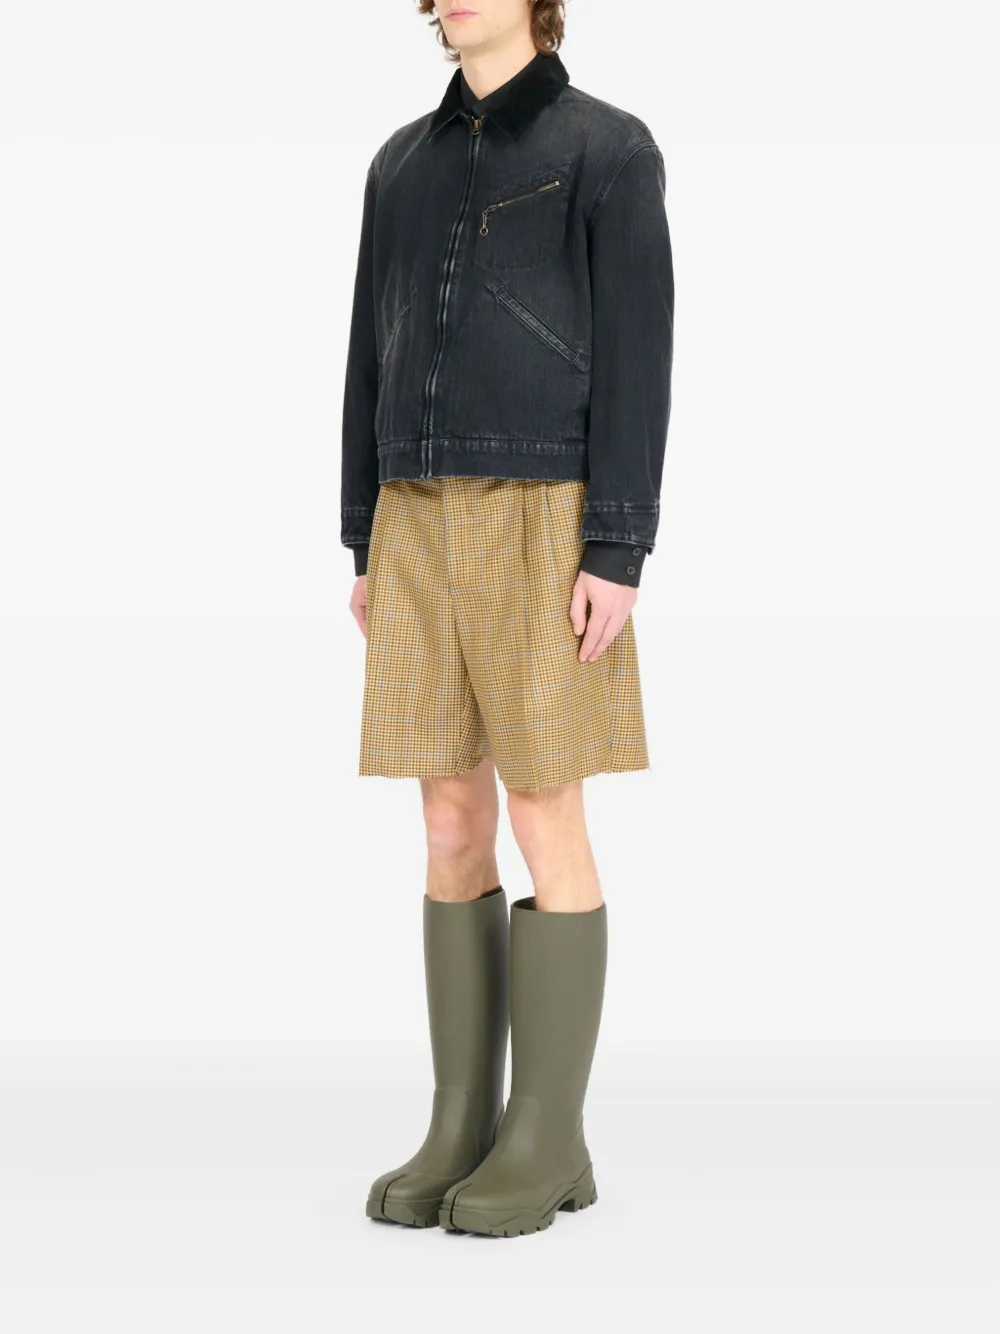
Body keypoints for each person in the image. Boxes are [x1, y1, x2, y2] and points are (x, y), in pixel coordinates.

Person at [340, 0, 673, 1237]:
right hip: (415, 514)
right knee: (445, 813)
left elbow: (640, 354)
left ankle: (547, 1132)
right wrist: (363, 531)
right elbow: (365, 356)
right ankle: (459, 1117)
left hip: (545, 512)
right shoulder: (399, 165)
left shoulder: (607, 149)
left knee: (543, 806)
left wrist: (616, 545)